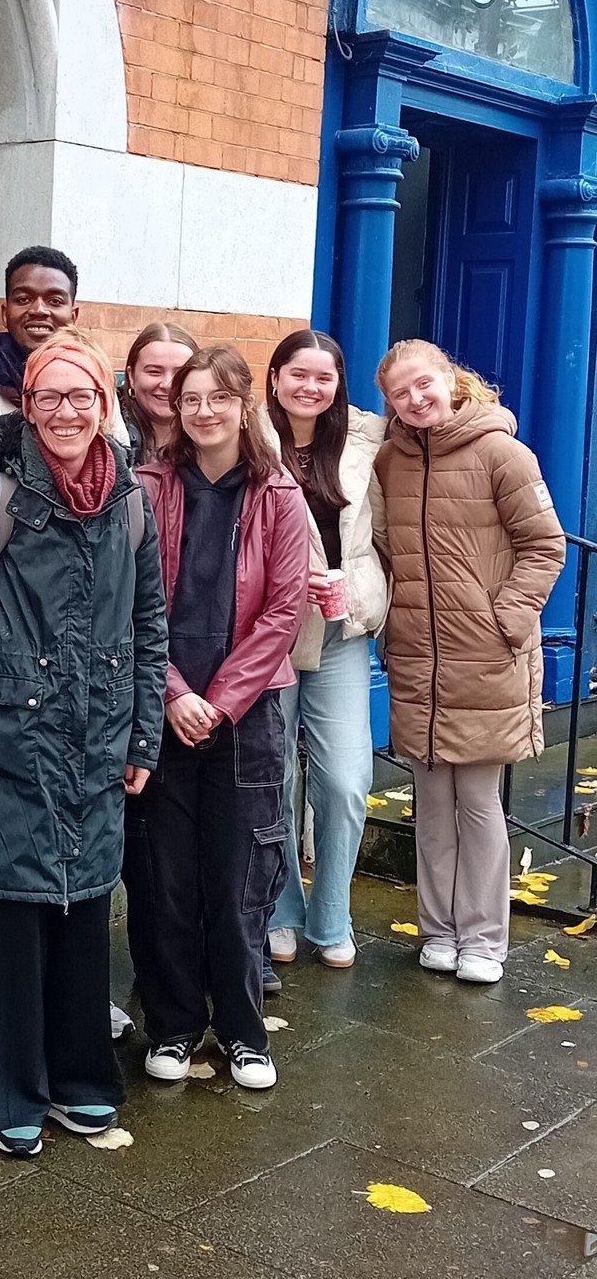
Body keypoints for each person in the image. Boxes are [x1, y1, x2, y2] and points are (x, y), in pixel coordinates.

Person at [0, 327, 168, 1157]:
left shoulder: (132, 503)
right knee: (10, 922)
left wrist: (146, 734)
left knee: (82, 914)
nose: (66, 411)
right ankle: (4, 1093)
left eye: (81, 396)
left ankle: (79, 1080)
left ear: (105, 405)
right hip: (8, 740)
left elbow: (149, 627)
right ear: (25, 406)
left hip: (99, 742)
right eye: (48, 396)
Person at [126, 344, 307, 1091]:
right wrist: (174, 693)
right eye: (190, 396)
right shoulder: (144, 486)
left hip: (247, 714)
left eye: (218, 398)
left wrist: (222, 699)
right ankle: (172, 1025)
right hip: (161, 707)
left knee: (237, 881)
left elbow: (284, 609)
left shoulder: (279, 495)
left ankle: (241, 1031)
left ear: (244, 404)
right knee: (163, 877)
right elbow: (132, 603)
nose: (203, 410)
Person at [374, 340, 564, 984]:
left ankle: (483, 938)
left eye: (423, 384)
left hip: (484, 656)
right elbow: (381, 548)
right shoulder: (388, 462)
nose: (415, 400)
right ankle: (439, 930)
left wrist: (504, 619)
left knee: (478, 801)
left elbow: (544, 544)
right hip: (417, 657)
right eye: (400, 394)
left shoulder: (503, 453)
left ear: (452, 379)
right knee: (430, 801)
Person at [262, 330, 388, 976]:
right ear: (276, 376)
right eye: (299, 375)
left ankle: (330, 914)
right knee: (272, 774)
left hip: (342, 628)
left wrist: (358, 593)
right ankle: (280, 912)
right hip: (270, 629)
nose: (311, 387)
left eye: (325, 377)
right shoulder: (250, 436)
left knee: (344, 779)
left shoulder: (366, 438)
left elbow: (444, 415)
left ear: (339, 383)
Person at [0, 246, 81, 429]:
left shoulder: (94, 387)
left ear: (73, 317)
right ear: (5, 314)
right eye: (23, 299)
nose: (39, 310)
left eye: (55, 301)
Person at [120, 321, 198, 464]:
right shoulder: (107, 438)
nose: (167, 384)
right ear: (131, 376)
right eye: (154, 372)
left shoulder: (217, 440)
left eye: (180, 373)